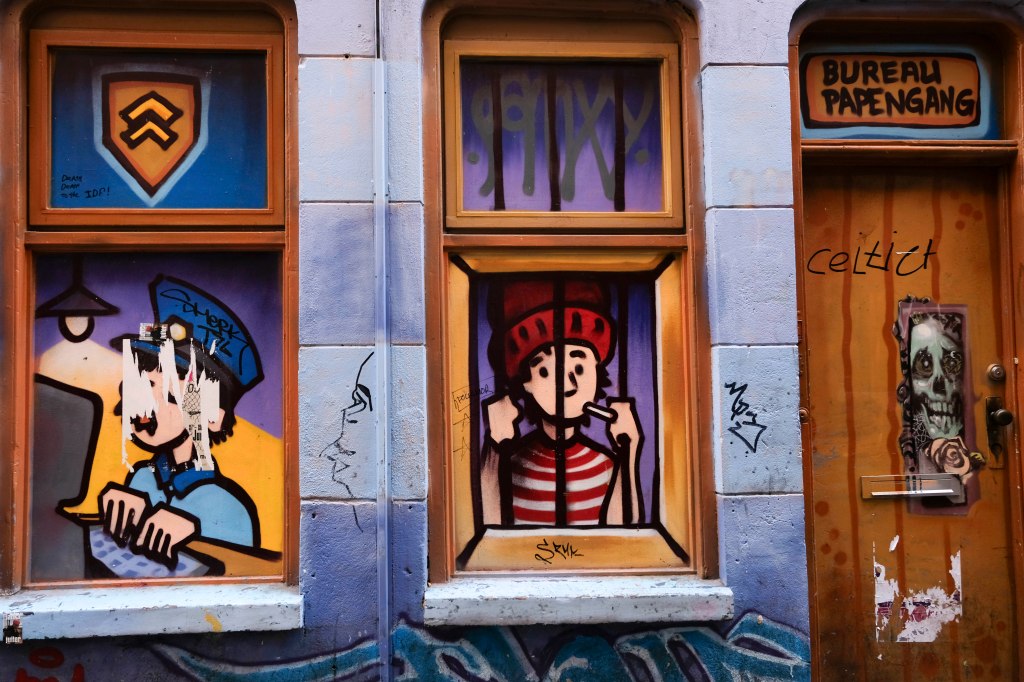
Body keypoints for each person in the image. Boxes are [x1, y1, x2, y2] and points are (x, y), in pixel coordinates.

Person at [98, 275, 261, 568]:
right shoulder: (141, 478)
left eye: (170, 393)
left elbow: (241, 576)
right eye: (143, 385)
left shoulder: (230, 507)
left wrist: (197, 532)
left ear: (213, 417)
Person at [480, 278, 642, 527]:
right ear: (525, 383)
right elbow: (490, 531)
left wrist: (628, 452)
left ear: (597, 371)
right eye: (546, 371)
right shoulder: (510, 463)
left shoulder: (606, 465)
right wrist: (494, 448)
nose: (567, 383)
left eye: (579, 367)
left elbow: (625, 534)